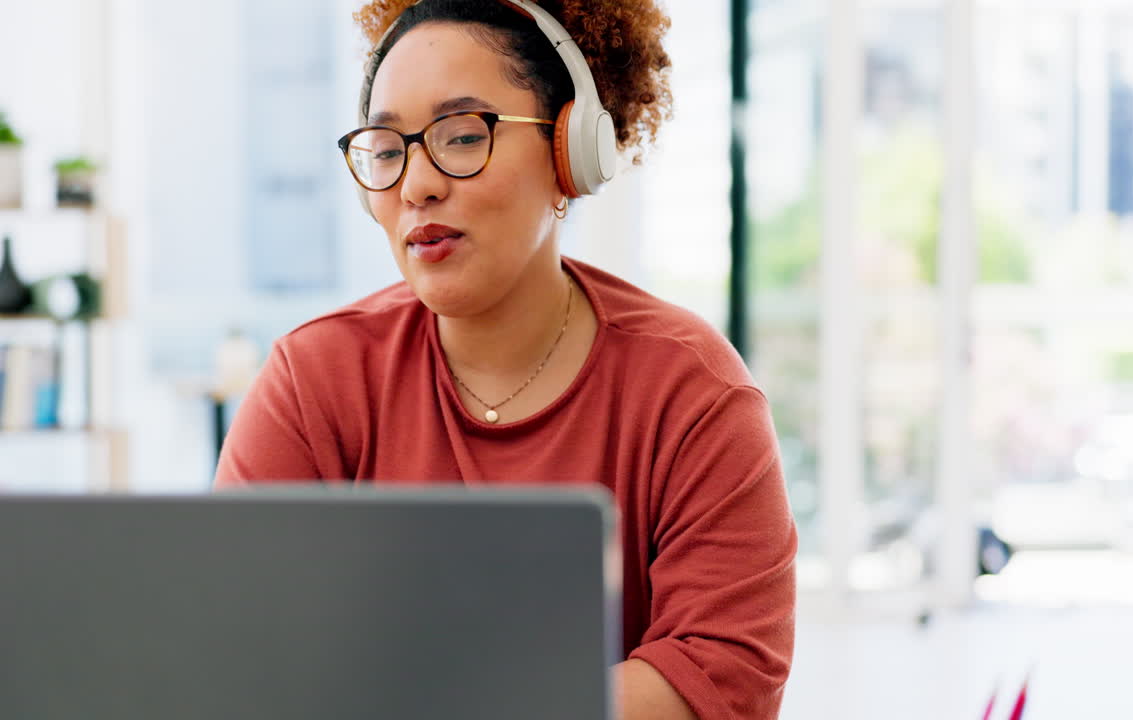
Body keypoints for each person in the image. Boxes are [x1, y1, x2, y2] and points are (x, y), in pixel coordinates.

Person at [215, 1, 797, 717]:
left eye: (461, 137)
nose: (416, 185)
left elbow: (723, 676)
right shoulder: (314, 380)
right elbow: (243, 658)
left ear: (570, 151)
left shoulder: (693, 393)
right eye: (390, 149)